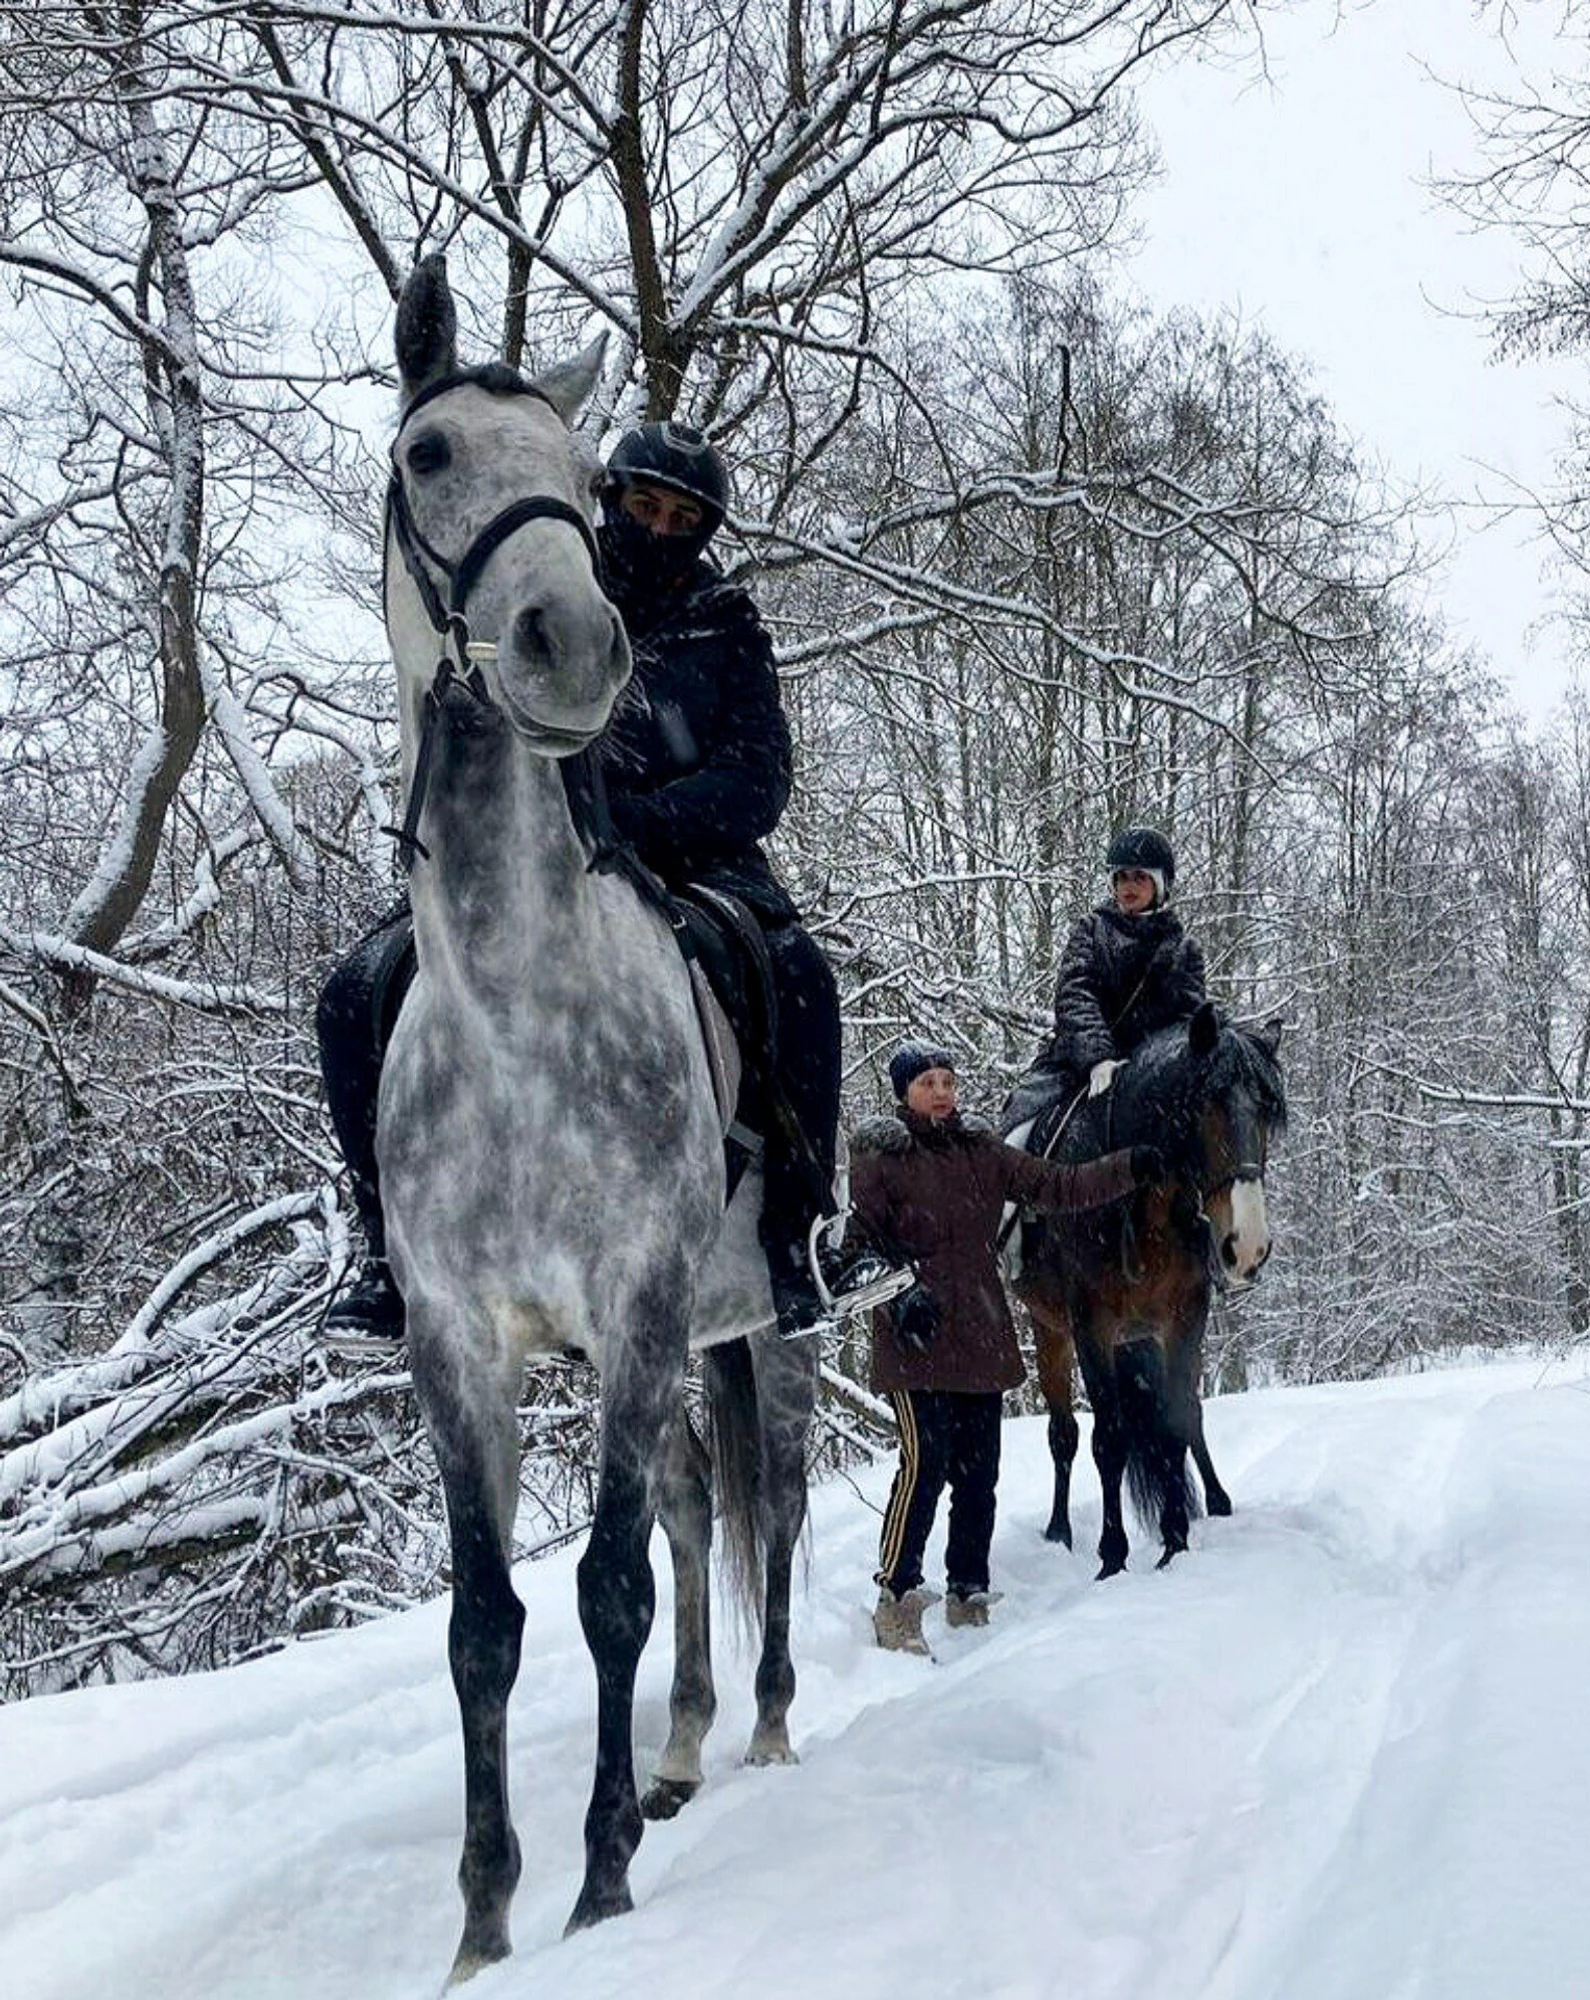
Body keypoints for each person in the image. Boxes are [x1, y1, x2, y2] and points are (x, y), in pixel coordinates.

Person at [318, 418, 851, 1340]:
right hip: (535, 859)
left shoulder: (728, 624)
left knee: (799, 974)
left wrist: (643, 821)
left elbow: (758, 775)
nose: (660, 527)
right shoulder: (544, 589)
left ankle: (799, 1228)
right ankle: (384, 1249)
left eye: (683, 518)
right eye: (644, 506)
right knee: (351, 992)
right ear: (611, 503)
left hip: (692, 864)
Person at [847, 1042, 1165, 1656]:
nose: (941, 1091)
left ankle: (968, 1589)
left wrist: (1129, 1165)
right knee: (925, 1464)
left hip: (979, 1337)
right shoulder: (882, 1157)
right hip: (915, 1341)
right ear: (904, 1093)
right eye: (927, 1083)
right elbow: (857, 1245)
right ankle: (897, 1595)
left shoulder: (982, 1153)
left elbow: (1060, 1185)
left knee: (978, 1474)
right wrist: (896, 1297)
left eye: (947, 1080)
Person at [1005, 825, 1211, 1138]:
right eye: (1122, 876)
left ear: (1160, 884)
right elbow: (1075, 993)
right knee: (1016, 1135)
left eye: (1140, 877)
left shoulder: (1184, 951)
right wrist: (1097, 1056)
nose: (1129, 885)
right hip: (1077, 1066)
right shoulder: (1091, 930)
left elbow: (1188, 1023)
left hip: (1152, 1074)